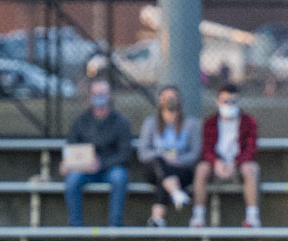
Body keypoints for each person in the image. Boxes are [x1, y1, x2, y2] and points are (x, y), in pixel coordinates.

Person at [61, 79, 133, 227]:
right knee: (72, 179)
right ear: (90, 97)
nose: (99, 97)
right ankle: (75, 226)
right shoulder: (80, 121)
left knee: (120, 177)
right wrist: (69, 163)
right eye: (96, 93)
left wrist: (101, 164)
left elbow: (125, 154)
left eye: (103, 93)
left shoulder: (121, 122)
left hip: (111, 168)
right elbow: (71, 147)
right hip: (85, 169)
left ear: (109, 96)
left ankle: (115, 225)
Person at [191, 84, 262, 229]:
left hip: (238, 165)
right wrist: (216, 162)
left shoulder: (249, 122)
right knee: (201, 168)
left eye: (233, 101)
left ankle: (252, 217)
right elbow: (207, 149)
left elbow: (250, 149)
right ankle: (198, 216)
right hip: (216, 166)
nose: (229, 105)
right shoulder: (210, 123)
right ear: (218, 101)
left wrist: (235, 163)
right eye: (225, 101)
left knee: (251, 169)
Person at [137, 85, 202, 228]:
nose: (169, 101)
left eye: (172, 98)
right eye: (165, 98)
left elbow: (195, 153)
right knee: (160, 164)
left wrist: (177, 160)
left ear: (180, 101)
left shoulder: (191, 124)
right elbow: (142, 152)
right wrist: (163, 156)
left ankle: (157, 218)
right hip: (155, 168)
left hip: (181, 169)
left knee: (165, 177)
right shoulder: (150, 123)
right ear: (160, 101)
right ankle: (176, 192)